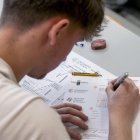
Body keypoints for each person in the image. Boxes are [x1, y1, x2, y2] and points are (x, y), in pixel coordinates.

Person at [0, 0, 139, 140]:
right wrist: (121, 120)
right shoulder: (37, 122)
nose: (66, 57)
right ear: (58, 31)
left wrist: (28, 120)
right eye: (75, 42)